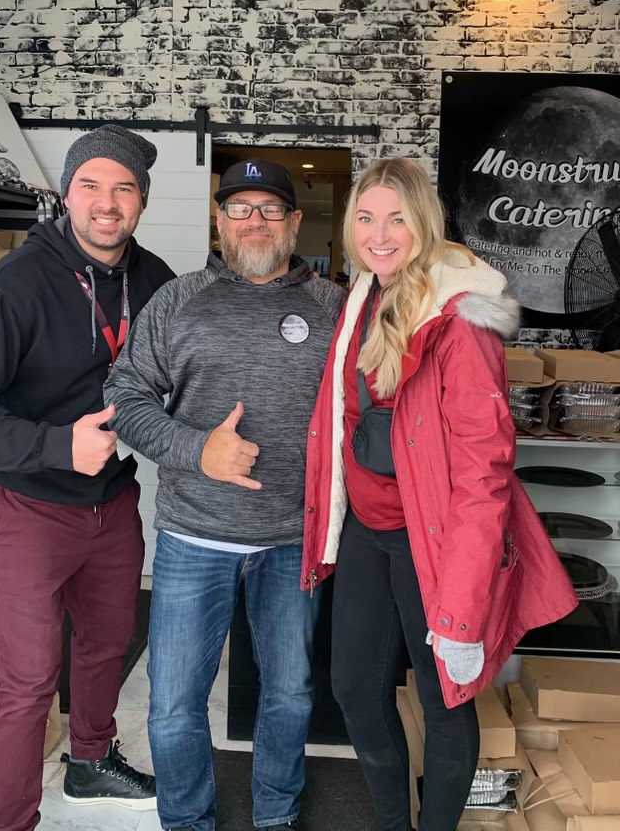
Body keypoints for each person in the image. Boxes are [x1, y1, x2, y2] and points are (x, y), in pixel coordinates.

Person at [302, 158, 577, 831]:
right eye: (366, 218)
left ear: (423, 224)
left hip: (435, 537)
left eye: (397, 219)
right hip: (368, 529)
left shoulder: (461, 322)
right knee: (355, 690)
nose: (379, 235)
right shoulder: (362, 297)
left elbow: (485, 473)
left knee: (445, 697)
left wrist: (460, 614)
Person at [104, 157, 346, 831]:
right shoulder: (177, 301)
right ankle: (187, 821)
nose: (254, 220)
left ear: (294, 222)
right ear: (220, 221)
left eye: (270, 209)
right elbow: (124, 396)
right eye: (240, 208)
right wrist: (197, 450)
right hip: (193, 536)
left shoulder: (334, 308)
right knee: (173, 704)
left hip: (292, 540)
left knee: (290, 694)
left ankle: (276, 815)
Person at [0, 124, 175, 831]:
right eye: (90, 185)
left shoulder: (155, 280)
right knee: (26, 680)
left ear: (142, 200)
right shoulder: (18, 283)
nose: (107, 203)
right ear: (67, 194)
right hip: (24, 504)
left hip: (110, 501)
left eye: (124, 188)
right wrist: (55, 445)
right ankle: (11, 820)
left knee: (106, 644)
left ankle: (90, 761)